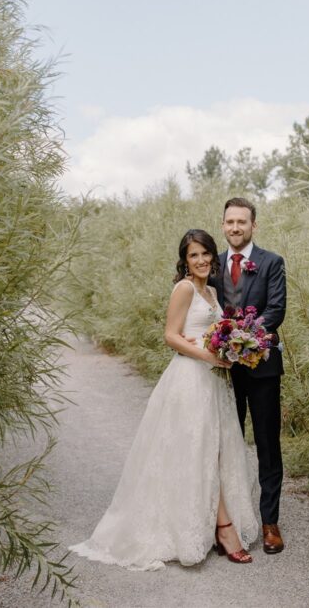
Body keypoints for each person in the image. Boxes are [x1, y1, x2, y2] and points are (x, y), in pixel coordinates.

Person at [68, 229, 259, 570]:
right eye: (193, 255)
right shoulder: (184, 288)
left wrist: (230, 349)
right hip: (190, 379)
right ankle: (224, 528)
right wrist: (209, 355)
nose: (200, 261)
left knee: (214, 449)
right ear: (185, 261)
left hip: (214, 382)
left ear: (213, 256)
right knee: (199, 449)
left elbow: (212, 333)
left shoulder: (212, 291)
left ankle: (213, 522)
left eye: (204, 254)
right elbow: (170, 336)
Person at [213, 197, 287, 554]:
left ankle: (270, 522)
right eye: (230, 222)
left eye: (242, 221)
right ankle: (229, 520)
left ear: (253, 225)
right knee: (226, 444)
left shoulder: (271, 262)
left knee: (267, 444)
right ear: (223, 225)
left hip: (262, 369)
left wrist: (242, 338)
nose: (235, 228)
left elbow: (276, 310)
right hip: (222, 372)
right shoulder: (212, 267)